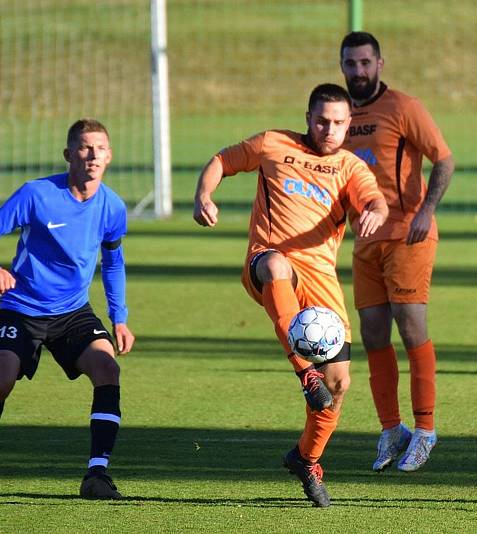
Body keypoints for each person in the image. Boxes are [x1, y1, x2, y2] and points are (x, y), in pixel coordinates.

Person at [193, 83, 388, 507]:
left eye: (338, 123)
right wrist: (203, 194)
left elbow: (375, 200)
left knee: (338, 386)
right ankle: (305, 373)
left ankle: (306, 458)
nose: (329, 129)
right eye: (321, 120)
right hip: (267, 262)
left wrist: (374, 211)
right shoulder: (272, 144)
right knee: (278, 265)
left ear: (349, 124)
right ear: (307, 117)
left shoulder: (351, 167)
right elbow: (221, 161)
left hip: (321, 281)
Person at [0, 119, 135, 500]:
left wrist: (119, 318)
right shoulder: (36, 195)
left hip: (73, 312)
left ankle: (97, 474)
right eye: (84, 147)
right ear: (68, 154)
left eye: (101, 148)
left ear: (109, 156)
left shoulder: (112, 206)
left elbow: (113, 263)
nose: (93, 155)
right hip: (22, 309)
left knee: (108, 368)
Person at [339, 31, 455, 472]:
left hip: (409, 233)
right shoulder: (340, 116)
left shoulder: (404, 107)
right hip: (365, 240)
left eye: (366, 63)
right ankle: (392, 430)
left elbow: (443, 159)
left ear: (380, 64)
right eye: (351, 64)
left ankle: (425, 430)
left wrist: (427, 210)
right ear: (343, 67)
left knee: (411, 328)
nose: (359, 71)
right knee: (371, 335)